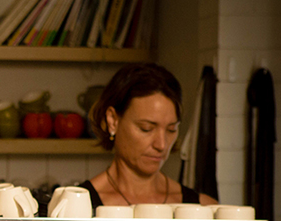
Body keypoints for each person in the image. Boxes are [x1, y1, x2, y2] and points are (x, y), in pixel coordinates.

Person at [75, 63, 218, 208]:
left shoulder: (202, 207)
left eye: (171, 129)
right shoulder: (75, 207)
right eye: (146, 128)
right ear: (113, 121)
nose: (161, 145)